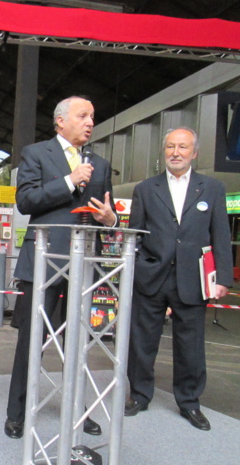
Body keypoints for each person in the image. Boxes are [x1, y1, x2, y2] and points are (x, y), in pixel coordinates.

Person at [4, 96, 117, 439]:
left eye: (92, 116)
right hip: (43, 262)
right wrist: (70, 181)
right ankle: (17, 412)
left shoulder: (100, 163)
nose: (89, 122)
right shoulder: (36, 153)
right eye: (82, 115)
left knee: (79, 343)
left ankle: (78, 409)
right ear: (60, 121)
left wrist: (110, 220)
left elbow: (107, 212)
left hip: (84, 265)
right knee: (31, 341)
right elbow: (26, 201)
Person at [124, 127, 233, 431]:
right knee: (142, 342)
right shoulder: (146, 189)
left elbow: (220, 234)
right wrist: (135, 269)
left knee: (191, 346)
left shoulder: (211, 188)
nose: (175, 152)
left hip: (193, 279)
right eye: (170, 146)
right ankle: (140, 395)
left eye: (182, 147)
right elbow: (136, 234)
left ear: (194, 153)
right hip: (151, 276)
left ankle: (189, 402)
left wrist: (222, 276)